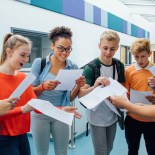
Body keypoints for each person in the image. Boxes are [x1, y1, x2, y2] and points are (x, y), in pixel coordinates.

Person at [30, 26, 85, 155]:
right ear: (52, 46)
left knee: (62, 152)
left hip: (61, 112)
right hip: (40, 114)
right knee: (41, 152)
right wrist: (42, 86)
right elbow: (29, 92)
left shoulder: (73, 67)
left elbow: (70, 98)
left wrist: (78, 86)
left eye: (68, 49)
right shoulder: (40, 63)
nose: (65, 52)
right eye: (60, 48)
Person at [78, 30, 125, 155]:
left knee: (109, 148)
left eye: (112, 49)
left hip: (112, 114)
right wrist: (94, 86)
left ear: (117, 48)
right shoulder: (90, 68)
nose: (108, 52)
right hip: (97, 116)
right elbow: (81, 94)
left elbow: (122, 88)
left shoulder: (119, 66)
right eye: (105, 48)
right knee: (100, 151)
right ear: (99, 46)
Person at [0, 33, 36, 155]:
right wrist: (21, 110)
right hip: (4, 139)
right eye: (22, 55)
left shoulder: (23, 77)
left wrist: (61, 110)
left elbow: (36, 104)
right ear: (9, 52)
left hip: (23, 136)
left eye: (28, 56)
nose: (26, 60)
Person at [122, 38, 155, 155]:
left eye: (143, 56)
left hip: (152, 120)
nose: (140, 60)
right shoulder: (128, 71)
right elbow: (125, 94)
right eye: (136, 57)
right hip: (133, 119)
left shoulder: (154, 70)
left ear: (149, 54)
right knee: (132, 150)